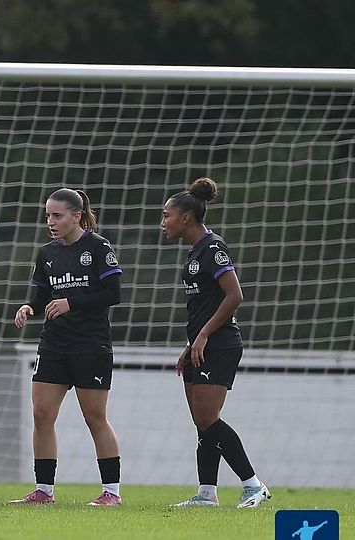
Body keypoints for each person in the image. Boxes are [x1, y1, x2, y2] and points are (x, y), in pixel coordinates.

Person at [162, 177, 271, 509]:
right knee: (202, 421)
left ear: (185, 218)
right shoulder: (195, 250)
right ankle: (207, 493)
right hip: (200, 345)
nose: (163, 221)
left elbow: (235, 295)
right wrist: (191, 344)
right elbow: (205, 304)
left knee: (208, 418)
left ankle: (253, 485)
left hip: (220, 344)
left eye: (166, 215)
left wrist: (205, 334)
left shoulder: (213, 248)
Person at [12, 188, 123, 506]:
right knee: (41, 414)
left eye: (57, 215)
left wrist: (71, 303)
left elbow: (113, 293)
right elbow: (41, 296)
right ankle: (44, 491)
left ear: (77, 216)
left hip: (90, 343)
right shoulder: (47, 253)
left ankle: (111, 492)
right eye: (48, 215)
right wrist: (29, 308)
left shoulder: (98, 247)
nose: (51, 221)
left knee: (94, 417)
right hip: (54, 344)